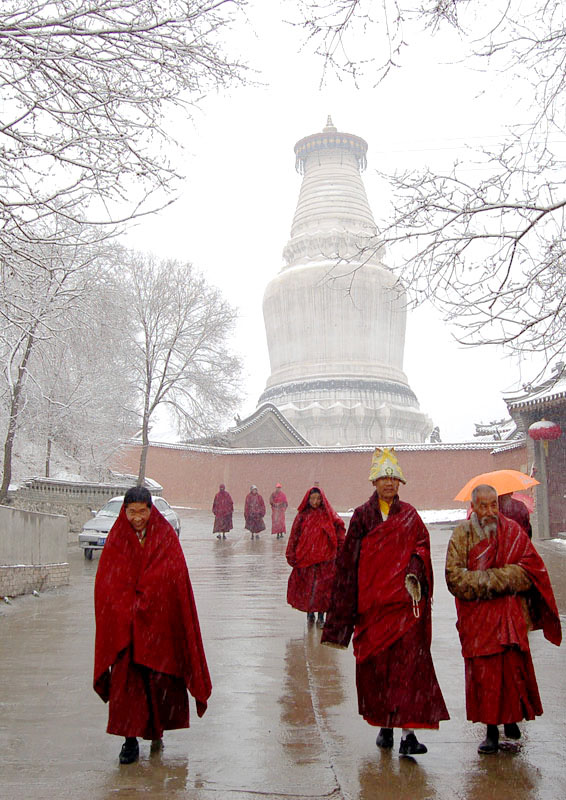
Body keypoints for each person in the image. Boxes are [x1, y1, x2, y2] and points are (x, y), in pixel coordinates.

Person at [321, 447, 449, 756]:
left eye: (393, 478)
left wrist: (416, 569)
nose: (388, 484)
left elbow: (422, 547)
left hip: (404, 607)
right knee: (380, 672)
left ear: (400, 483)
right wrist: (343, 614)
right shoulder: (363, 517)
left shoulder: (410, 516)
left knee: (409, 672)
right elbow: (348, 564)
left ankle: (408, 734)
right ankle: (385, 726)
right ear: (374, 483)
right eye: (383, 478)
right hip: (373, 609)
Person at [93, 486, 211, 765]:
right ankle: (129, 741)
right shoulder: (117, 540)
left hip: (159, 627)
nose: (137, 518)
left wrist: (152, 600)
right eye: (131, 512)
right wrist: (126, 609)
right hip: (128, 631)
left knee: (159, 684)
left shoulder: (165, 537)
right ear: (125, 512)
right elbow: (107, 585)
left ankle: (157, 732)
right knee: (128, 688)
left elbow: (175, 577)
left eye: (142, 511)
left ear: (150, 510)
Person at [446, 484, 561, 755]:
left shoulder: (512, 531)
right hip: (478, 620)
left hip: (508, 615)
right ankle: (490, 731)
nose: (489, 511)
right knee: (485, 679)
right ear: (472, 507)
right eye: (483, 506)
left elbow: (530, 572)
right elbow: (454, 577)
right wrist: (494, 580)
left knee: (510, 673)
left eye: (493, 505)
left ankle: (512, 718)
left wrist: (495, 578)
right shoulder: (462, 535)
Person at [286, 486, 346, 625]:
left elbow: (339, 530)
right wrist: (291, 553)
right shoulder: (302, 516)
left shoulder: (328, 515)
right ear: (308, 500)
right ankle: (310, 612)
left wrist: (341, 550)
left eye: (318, 499)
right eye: (312, 498)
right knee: (309, 588)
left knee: (323, 590)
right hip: (306, 558)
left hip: (326, 559)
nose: (315, 501)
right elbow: (294, 536)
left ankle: (321, 615)